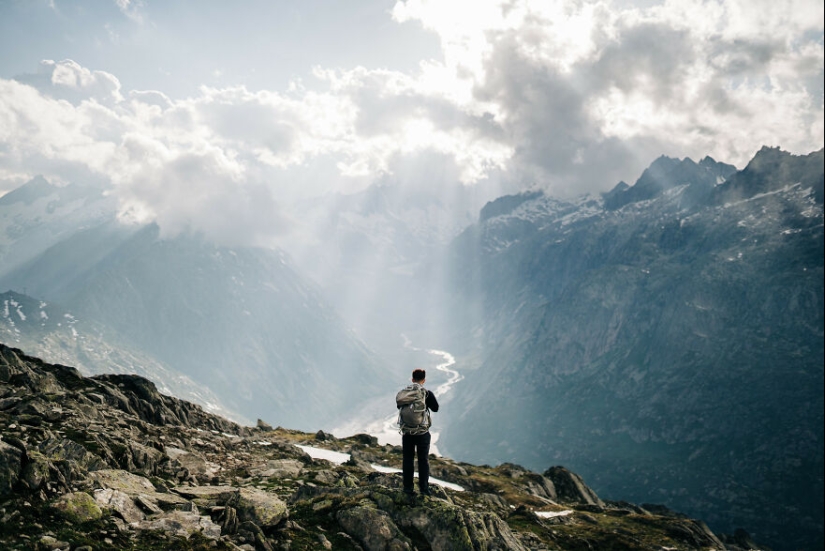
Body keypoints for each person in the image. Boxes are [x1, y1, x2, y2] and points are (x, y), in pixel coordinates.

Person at [397, 368, 439, 496]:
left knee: (408, 459)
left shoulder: (405, 393)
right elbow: (435, 408)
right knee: (423, 460)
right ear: (424, 380)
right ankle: (424, 489)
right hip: (422, 433)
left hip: (407, 432)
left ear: (412, 379)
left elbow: (399, 406)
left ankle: (408, 488)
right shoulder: (426, 394)